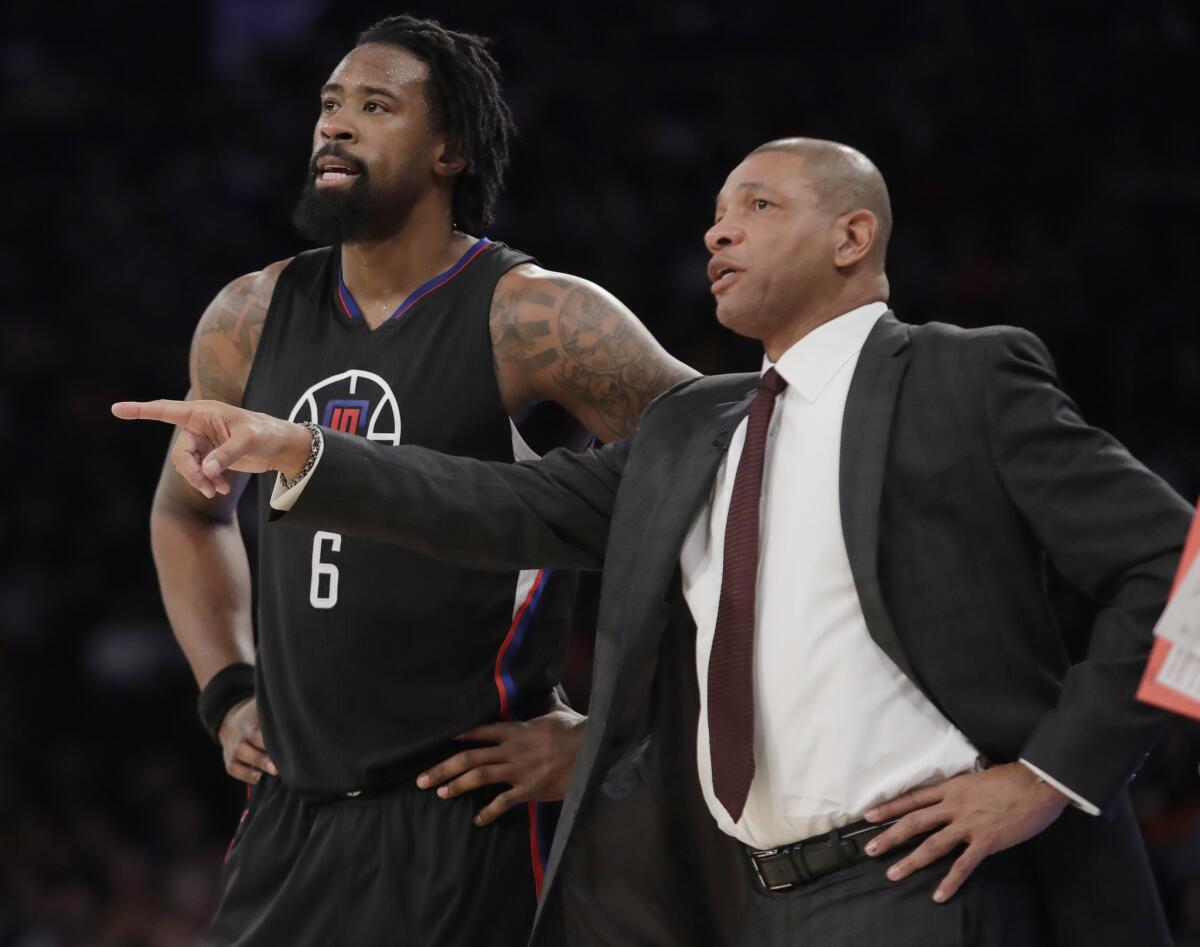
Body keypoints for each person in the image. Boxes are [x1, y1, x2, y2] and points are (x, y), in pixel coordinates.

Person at [116, 138, 1191, 946]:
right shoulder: (696, 427)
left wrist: (1049, 775)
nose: (717, 232)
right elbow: (498, 506)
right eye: (715, 214)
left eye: (757, 207)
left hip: (922, 885)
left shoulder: (959, 377)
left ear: (852, 236)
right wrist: (304, 452)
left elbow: (1183, 564)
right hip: (738, 896)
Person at [142, 14, 693, 947]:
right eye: (328, 105)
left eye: (374, 105)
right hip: (292, 814)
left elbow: (734, 477)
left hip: (467, 813)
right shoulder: (248, 313)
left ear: (451, 150)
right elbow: (184, 514)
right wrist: (227, 690)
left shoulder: (535, 316)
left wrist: (617, 733)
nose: (336, 125)